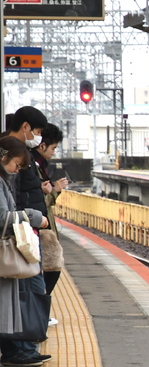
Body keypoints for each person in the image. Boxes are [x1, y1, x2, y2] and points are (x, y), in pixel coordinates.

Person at [0, 107, 52, 367]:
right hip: (13, 241)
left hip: (18, 238)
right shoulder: (3, 175)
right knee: (21, 293)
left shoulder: (8, 171)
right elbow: (3, 215)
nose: (17, 170)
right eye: (16, 165)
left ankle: (22, 345)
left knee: (22, 293)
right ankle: (19, 347)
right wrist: (30, 216)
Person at [29, 124, 67, 302]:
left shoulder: (36, 165)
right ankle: (38, 313)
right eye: (53, 148)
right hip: (38, 228)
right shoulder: (30, 166)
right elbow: (34, 200)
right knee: (47, 273)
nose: (53, 153)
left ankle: (38, 312)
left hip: (40, 227)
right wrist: (54, 191)